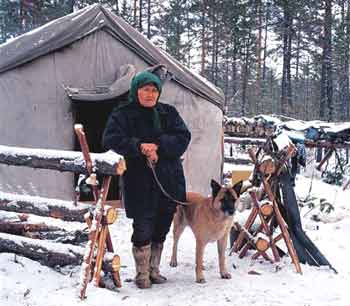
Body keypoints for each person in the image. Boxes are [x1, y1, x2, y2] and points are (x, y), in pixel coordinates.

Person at [102, 71, 191, 289]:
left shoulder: (168, 112)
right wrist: (139, 146)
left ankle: (154, 270)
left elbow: (183, 136)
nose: (150, 94)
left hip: (168, 179)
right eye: (145, 89)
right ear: (136, 90)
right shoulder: (123, 114)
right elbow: (110, 138)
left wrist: (159, 145)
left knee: (162, 225)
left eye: (154, 90)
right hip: (139, 180)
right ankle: (142, 274)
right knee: (142, 226)